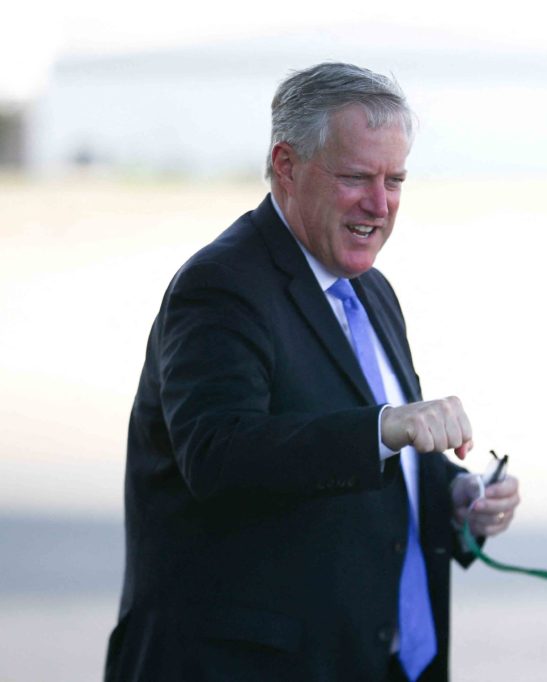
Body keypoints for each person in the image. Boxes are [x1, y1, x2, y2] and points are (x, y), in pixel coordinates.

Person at [104, 62, 520, 682]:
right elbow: (218, 456)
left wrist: (454, 496)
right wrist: (385, 428)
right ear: (286, 165)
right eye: (357, 177)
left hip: (372, 657)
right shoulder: (220, 286)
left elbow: (372, 455)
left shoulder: (371, 289)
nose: (379, 205)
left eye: (396, 180)